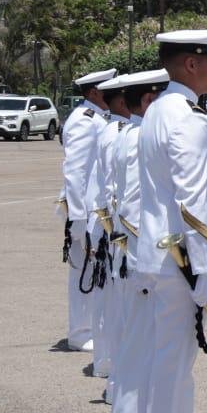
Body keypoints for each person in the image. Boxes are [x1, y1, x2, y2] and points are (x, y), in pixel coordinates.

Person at [132, 29, 207, 413]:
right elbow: (194, 202)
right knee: (175, 368)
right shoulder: (188, 117)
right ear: (191, 63)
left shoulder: (157, 110)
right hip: (179, 260)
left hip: (155, 253)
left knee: (160, 362)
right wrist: (206, 268)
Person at [106, 68, 169, 413]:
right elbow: (130, 205)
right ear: (148, 100)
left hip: (133, 251)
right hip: (137, 254)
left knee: (136, 335)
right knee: (139, 336)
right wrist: (142, 254)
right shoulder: (136, 138)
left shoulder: (130, 134)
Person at [60, 67, 116, 353]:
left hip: (94, 210)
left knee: (95, 271)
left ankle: (92, 327)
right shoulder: (84, 120)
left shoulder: (99, 118)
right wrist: (77, 220)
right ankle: (80, 333)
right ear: (95, 92)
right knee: (83, 271)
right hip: (83, 211)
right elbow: (75, 173)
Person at [88, 76, 131, 387]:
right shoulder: (120, 133)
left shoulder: (108, 129)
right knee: (119, 307)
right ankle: (113, 372)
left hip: (106, 225)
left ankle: (105, 363)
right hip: (116, 229)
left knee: (108, 303)